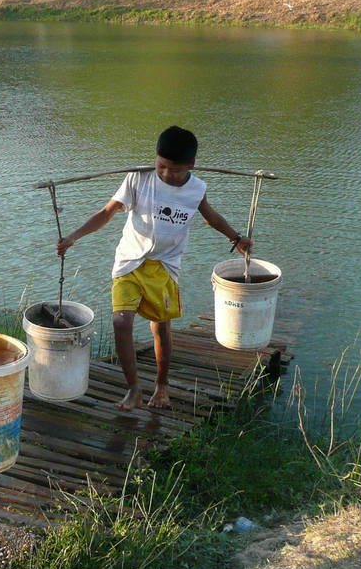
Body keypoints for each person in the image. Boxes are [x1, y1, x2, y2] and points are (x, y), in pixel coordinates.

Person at [56, 126, 252, 411]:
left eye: (175, 170)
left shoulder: (197, 189)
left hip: (165, 266)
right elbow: (107, 211)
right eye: (161, 166)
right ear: (155, 159)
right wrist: (73, 237)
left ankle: (161, 385)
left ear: (191, 166)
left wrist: (236, 238)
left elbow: (210, 217)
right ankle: (133, 388)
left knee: (160, 328)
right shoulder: (139, 177)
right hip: (130, 262)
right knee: (121, 322)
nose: (166, 174)